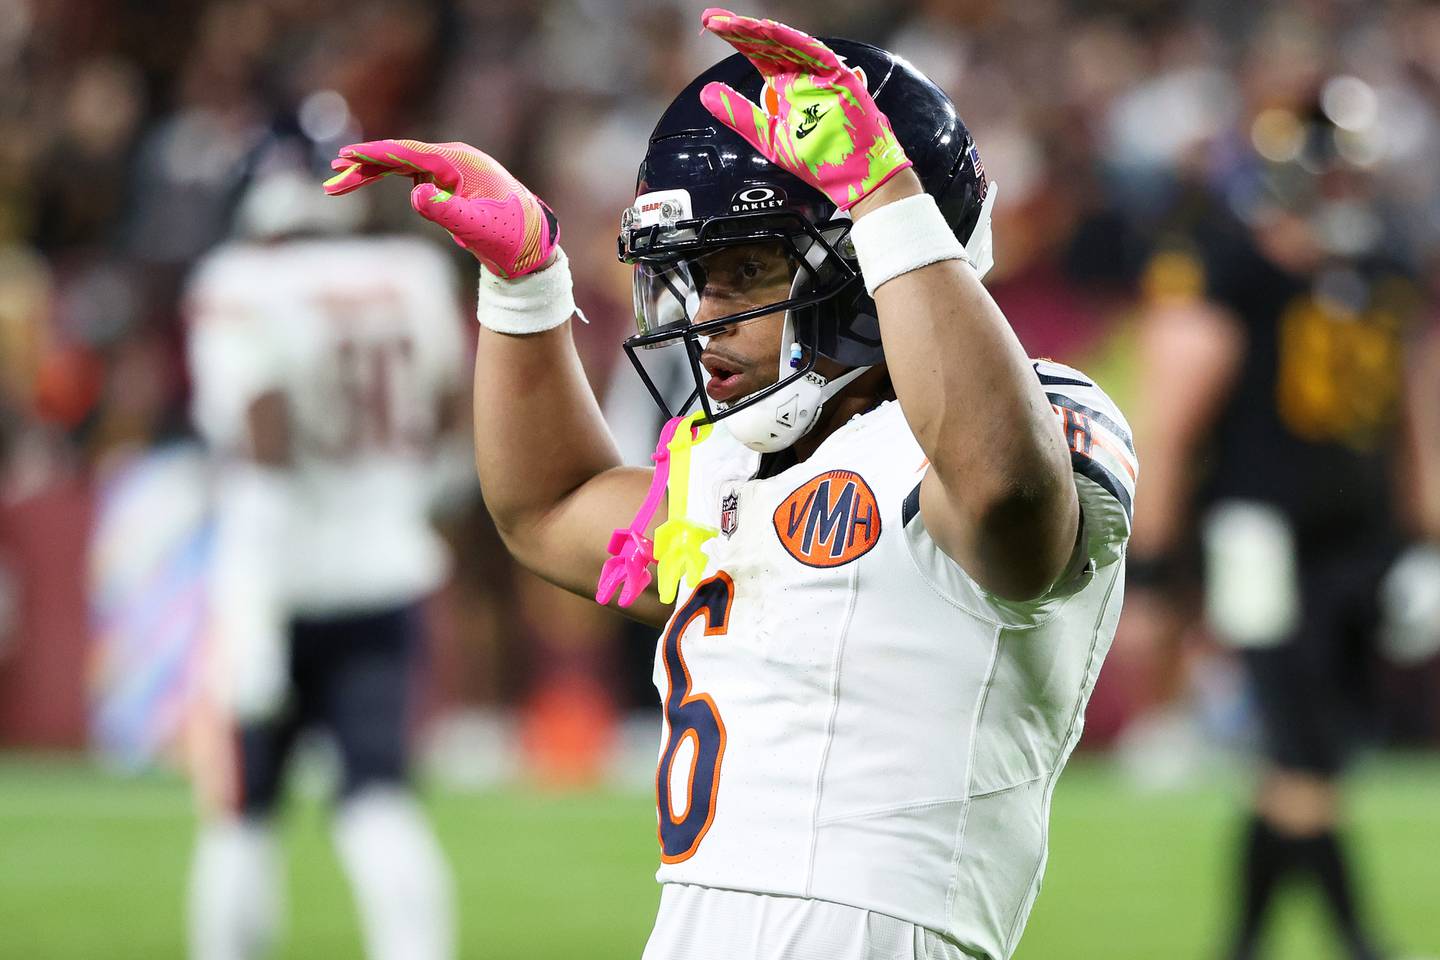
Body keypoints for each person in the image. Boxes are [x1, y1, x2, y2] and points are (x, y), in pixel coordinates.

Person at [325, 10, 1137, 960]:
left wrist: (881, 192)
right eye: (695, 278)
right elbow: (547, 508)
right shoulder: (735, 466)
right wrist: (526, 286)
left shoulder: (1034, 417)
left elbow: (1005, 500)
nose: (705, 316)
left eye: (747, 271)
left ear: (865, 261)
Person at [1125, 94, 1433, 960]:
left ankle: (1244, 941)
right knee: (1303, 750)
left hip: (1362, 542)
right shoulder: (1232, 267)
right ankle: (1356, 937)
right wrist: (1154, 572)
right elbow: (1174, 425)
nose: (1345, 183)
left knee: (1310, 765)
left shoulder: (1384, 264)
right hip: (1259, 538)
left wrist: (1424, 530)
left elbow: (1411, 407)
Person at [185, 136, 464, 960]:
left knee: (241, 813)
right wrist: (394, 506)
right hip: (386, 569)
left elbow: (262, 442)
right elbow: (451, 419)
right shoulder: (412, 277)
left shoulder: (242, 286)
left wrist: (252, 609)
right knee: (377, 796)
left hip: (273, 579)